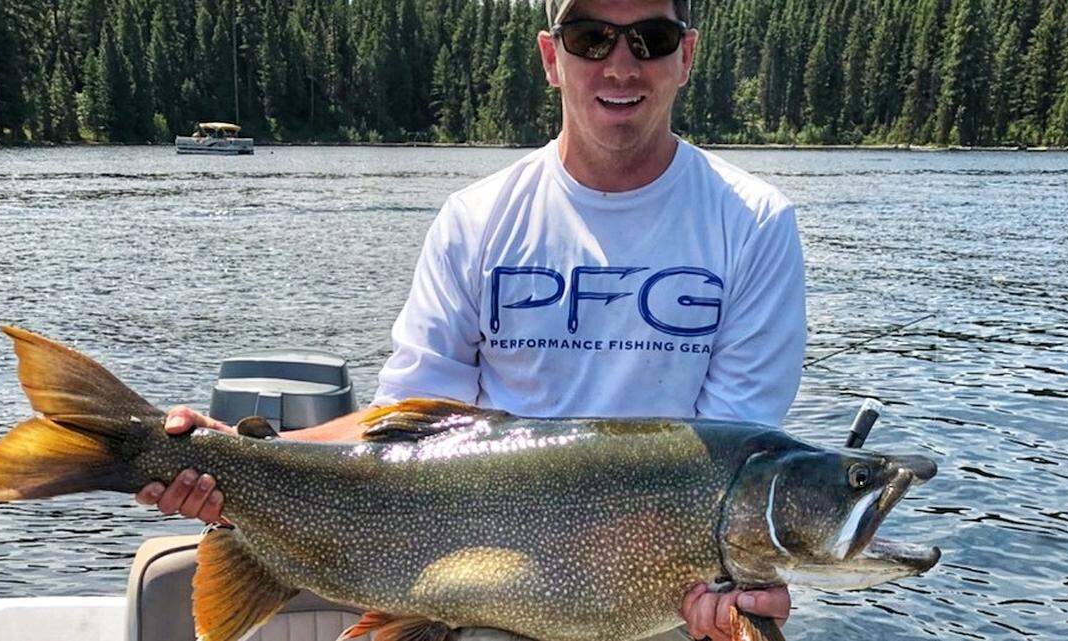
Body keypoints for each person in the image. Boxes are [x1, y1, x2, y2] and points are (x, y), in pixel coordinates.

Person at [138, 1, 804, 640]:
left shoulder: (753, 224)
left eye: (650, 39)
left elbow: (732, 470)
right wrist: (237, 453)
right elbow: (402, 425)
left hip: (662, 609)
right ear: (552, 57)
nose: (621, 65)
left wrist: (731, 595)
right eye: (590, 38)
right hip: (478, 608)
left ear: (685, 55)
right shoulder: (477, 219)